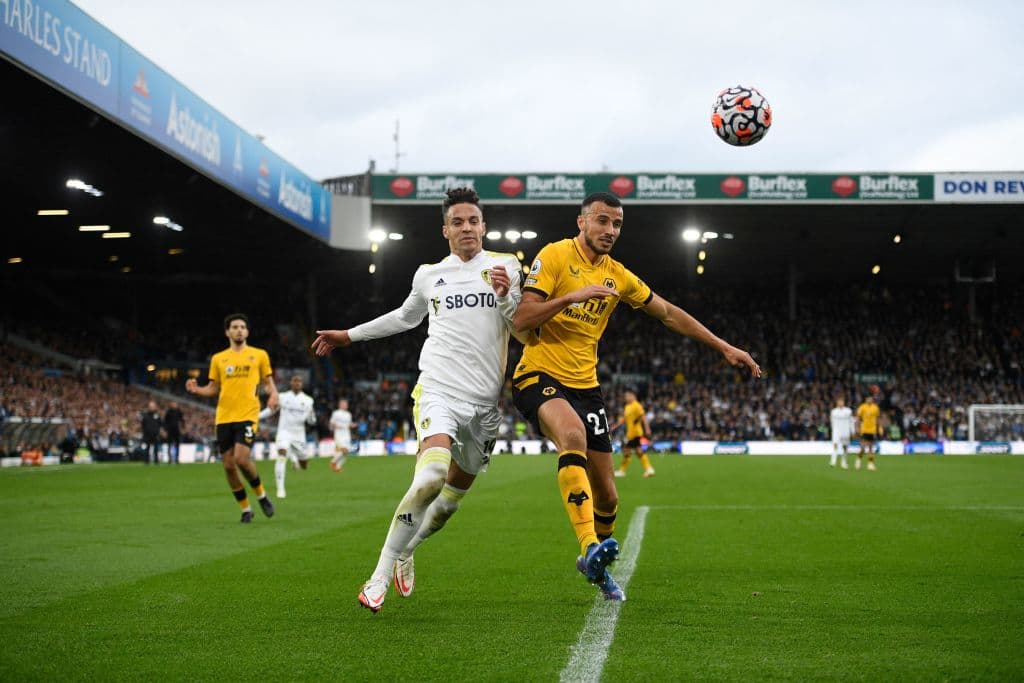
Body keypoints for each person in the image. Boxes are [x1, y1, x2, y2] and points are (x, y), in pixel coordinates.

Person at [511, 192, 761, 602]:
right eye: (603, 221)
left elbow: (666, 312)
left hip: (586, 387)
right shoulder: (555, 256)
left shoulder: (618, 276)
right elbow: (522, 317)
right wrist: (570, 297)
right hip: (538, 374)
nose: (610, 230)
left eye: (617, 224)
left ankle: (596, 566)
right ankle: (589, 546)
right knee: (571, 435)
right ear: (582, 222)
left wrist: (723, 346)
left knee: (608, 495)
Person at [311, 187, 523, 613]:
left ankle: (409, 549)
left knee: (444, 508)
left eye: (474, 221)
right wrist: (348, 336)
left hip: (484, 408)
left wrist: (505, 297)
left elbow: (521, 326)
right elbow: (405, 317)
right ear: (445, 229)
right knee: (429, 479)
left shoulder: (507, 266)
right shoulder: (429, 274)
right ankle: (378, 576)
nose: (467, 228)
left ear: (484, 226)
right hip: (439, 390)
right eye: (458, 222)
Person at [186, 313, 279, 523]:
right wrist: (196, 389)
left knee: (241, 458)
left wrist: (273, 394)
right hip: (224, 417)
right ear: (227, 332)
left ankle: (262, 495)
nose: (239, 330)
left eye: (242, 327)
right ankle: (246, 509)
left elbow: (268, 382)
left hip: (247, 414)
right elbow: (212, 389)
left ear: (247, 331)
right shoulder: (218, 359)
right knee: (228, 465)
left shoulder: (259, 355)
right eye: (235, 327)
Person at [260, 375, 315, 498]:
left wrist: (311, 415)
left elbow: (312, 421)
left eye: (299, 381)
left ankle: (296, 458)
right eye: (294, 381)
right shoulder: (283, 397)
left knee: (304, 464)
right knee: (282, 453)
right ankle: (280, 489)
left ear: (302, 384)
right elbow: (272, 410)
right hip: (284, 432)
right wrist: (257, 416)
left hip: (299, 435)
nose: (297, 383)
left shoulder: (308, 400)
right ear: (291, 383)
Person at [610, 390, 654, 478]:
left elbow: (643, 417)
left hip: (636, 432)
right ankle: (649, 469)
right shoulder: (627, 407)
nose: (625, 398)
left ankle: (622, 471)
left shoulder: (636, 405)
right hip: (631, 433)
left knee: (627, 450)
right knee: (638, 451)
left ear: (632, 396)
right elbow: (624, 419)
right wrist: (614, 426)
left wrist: (647, 429)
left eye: (627, 396)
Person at [855, 394, 880, 471]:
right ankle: (858, 459)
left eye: (870, 398)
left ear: (872, 399)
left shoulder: (875, 408)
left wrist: (878, 429)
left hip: (872, 430)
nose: (869, 400)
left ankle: (870, 464)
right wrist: (857, 428)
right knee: (863, 447)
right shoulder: (862, 407)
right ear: (865, 399)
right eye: (868, 398)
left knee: (871, 447)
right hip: (864, 429)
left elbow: (877, 419)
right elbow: (858, 418)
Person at [829, 396, 854, 469]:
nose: (840, 403)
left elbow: (851, 421)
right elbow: (832, 421)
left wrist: (852, 431)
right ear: (837, 403)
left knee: (845, 447)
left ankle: (844, 462)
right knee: (835, 445)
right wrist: (832, 430)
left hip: (845, 431)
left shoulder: (848, 411)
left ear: (844, 402)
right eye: (839, 402)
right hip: (836, 431)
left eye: (842, 402)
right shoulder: (833, 411)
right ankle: (833, 461)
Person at [329, 398, 353, 472]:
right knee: (343, 450)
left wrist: (352, 425)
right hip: (339, 434)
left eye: (346, 404)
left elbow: (348, 424)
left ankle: (338, 467)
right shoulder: (336, 413)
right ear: (340, 405)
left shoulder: (349, 414)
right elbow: (331, 423)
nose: (345, 405)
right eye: (343, 404)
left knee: (346, 452)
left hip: (347, 434)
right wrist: (337, 426)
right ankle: (333, 462)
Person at [140, 400, 162, 465]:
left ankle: (156, 461)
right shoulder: (145, 415)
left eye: (153, 406)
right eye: (151, 406)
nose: (152, 408)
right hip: (147, 434)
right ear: (148, 407)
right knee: (147, 448)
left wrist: (158, 431)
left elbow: (160, 423)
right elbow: (143, 424)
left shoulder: (157, 415)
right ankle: (146, 461)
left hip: (155, 434)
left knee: (156, 448)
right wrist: (145, 431)